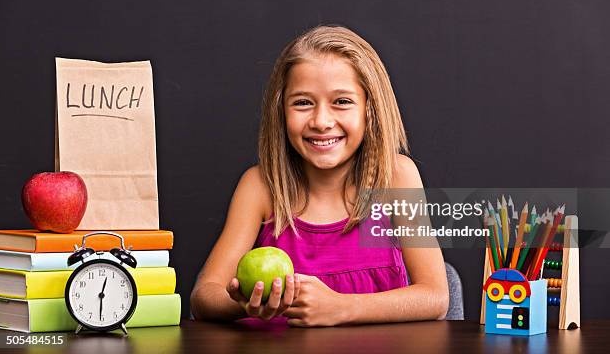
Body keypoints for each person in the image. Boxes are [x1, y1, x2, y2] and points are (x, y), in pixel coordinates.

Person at [190, 25, 449, 327]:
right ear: (281, 111)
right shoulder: (260, 186)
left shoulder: (396, 178)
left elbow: (435, 296)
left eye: (341, 102)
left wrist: (342, 308)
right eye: (302, 103)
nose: (321, 121)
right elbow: (204, 296)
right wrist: (246, 304)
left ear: (370, 109)